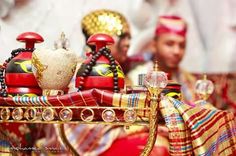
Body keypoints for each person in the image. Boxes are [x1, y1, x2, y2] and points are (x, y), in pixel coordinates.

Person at [128, 15, 196, 104]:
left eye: (182, 46)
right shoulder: (135, 79)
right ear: (154, 45)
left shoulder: (189, 80)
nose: (177, 51)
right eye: (169, 44)